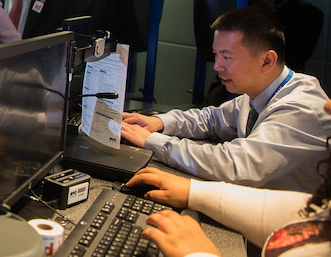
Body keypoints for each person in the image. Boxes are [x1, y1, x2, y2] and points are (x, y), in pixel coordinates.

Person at [121, 6, 331, 192]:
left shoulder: (301, 107)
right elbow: (213, 119)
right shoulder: (259, 91)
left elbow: (236, 164)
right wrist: (160, 122)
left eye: (227, 57)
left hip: (292, 226)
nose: (217, 66)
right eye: (216, 55)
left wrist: (153, 141)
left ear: (267, 61)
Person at [126, 96, 331, 256]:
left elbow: (240, 165)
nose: (328, 106)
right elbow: (311, 213)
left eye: (226, 56)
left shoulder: (302, 107)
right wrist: (194, 192)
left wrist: (198, 254)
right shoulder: (253, 97)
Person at [250, 0, 323, 73]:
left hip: (285, 80)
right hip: (250, 73)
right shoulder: (252, 5)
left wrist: (274, 16)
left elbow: (299, 55)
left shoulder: (311, 14)